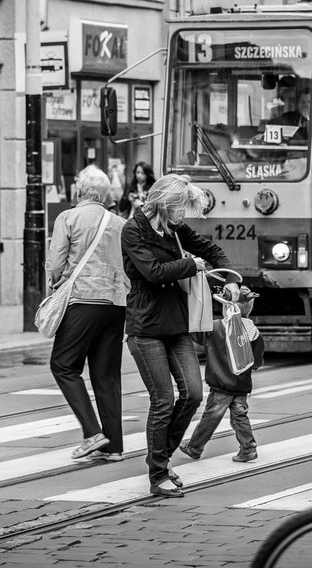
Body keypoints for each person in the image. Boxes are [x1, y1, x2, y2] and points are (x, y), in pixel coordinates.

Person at [121, 174, 240, 498]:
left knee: (193, 394)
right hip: (146, 329)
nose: (184, 216)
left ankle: (160, 457)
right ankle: (158, 474)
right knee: (163, 400)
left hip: (176, 325)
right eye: (181, 209)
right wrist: (191, 265)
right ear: (166, 205)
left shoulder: (174, 229)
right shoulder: (134, 230)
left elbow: (210, 249)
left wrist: (228, 277)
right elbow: (152, 273)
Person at [46, 166, 129, 463]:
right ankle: (114, 446)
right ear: (105, 194)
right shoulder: (120, 223)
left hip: (81, 299)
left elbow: (55, 263)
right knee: (106, 375)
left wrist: (53, 284)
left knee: (64, 365)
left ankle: (93, 432)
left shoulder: (67, 218)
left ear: (79, 190)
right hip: (116, 302)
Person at [179, 285, 264, 463]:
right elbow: (256, 363)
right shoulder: (253, 332)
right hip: (242, 385)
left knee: (210, 417)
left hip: (221, 385)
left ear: (226, 306)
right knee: (240, 416)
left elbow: (197, 335)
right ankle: (248, 448)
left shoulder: (217, 327)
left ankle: (194, 447)